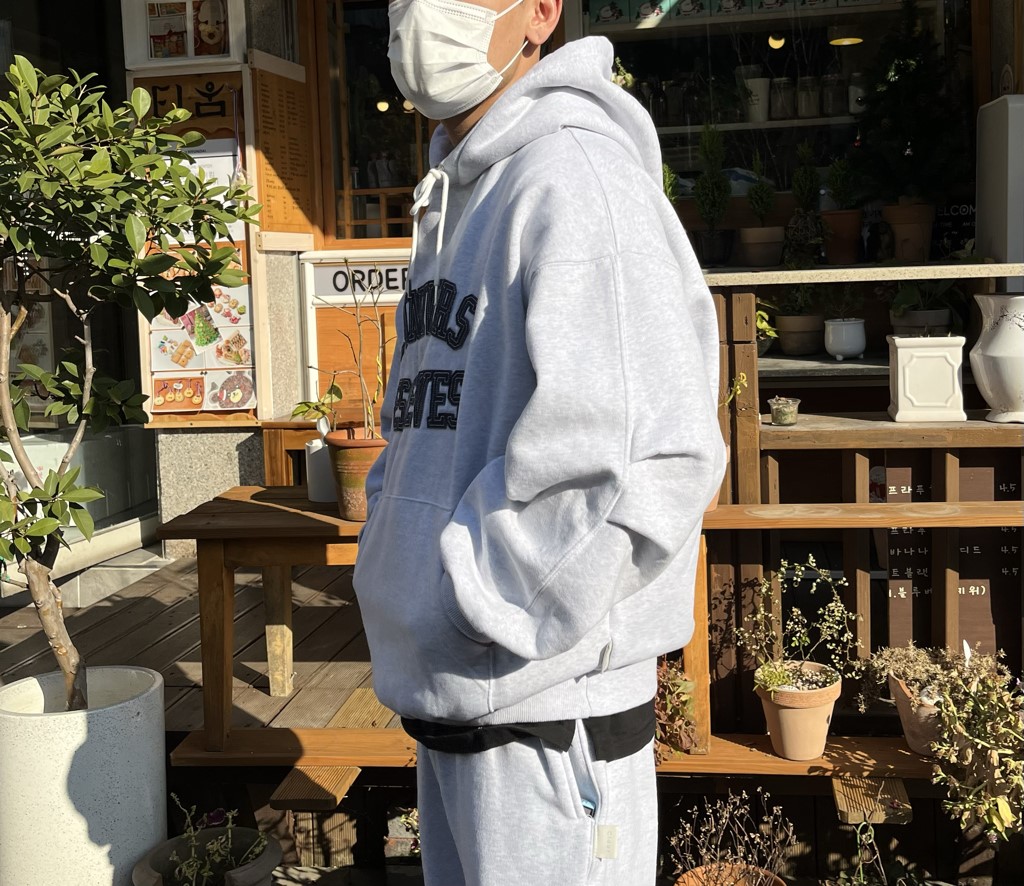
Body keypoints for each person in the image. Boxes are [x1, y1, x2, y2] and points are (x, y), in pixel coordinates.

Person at [352, 0, 726, 883]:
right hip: (463, 695)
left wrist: (474, 602)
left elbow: (643, 456)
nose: (420, 13)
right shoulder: (457, 193)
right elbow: (428, 422)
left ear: (541, 12)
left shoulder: (576, 180)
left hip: (549, 714)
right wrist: (407, 565)